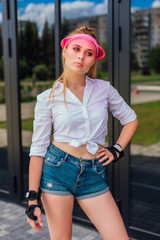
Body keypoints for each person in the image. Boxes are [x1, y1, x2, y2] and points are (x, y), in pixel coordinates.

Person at [25, 25, 138, 240]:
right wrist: (32, 198)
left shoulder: (104, 89)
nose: (81, 57)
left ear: (94, 60)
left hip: (92, 174)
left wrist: (116, 150)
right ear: (65, 50)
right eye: (76, 49)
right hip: (57, 172)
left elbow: (130, 119)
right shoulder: (47, 98)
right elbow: (38, 149)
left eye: (89, 53)